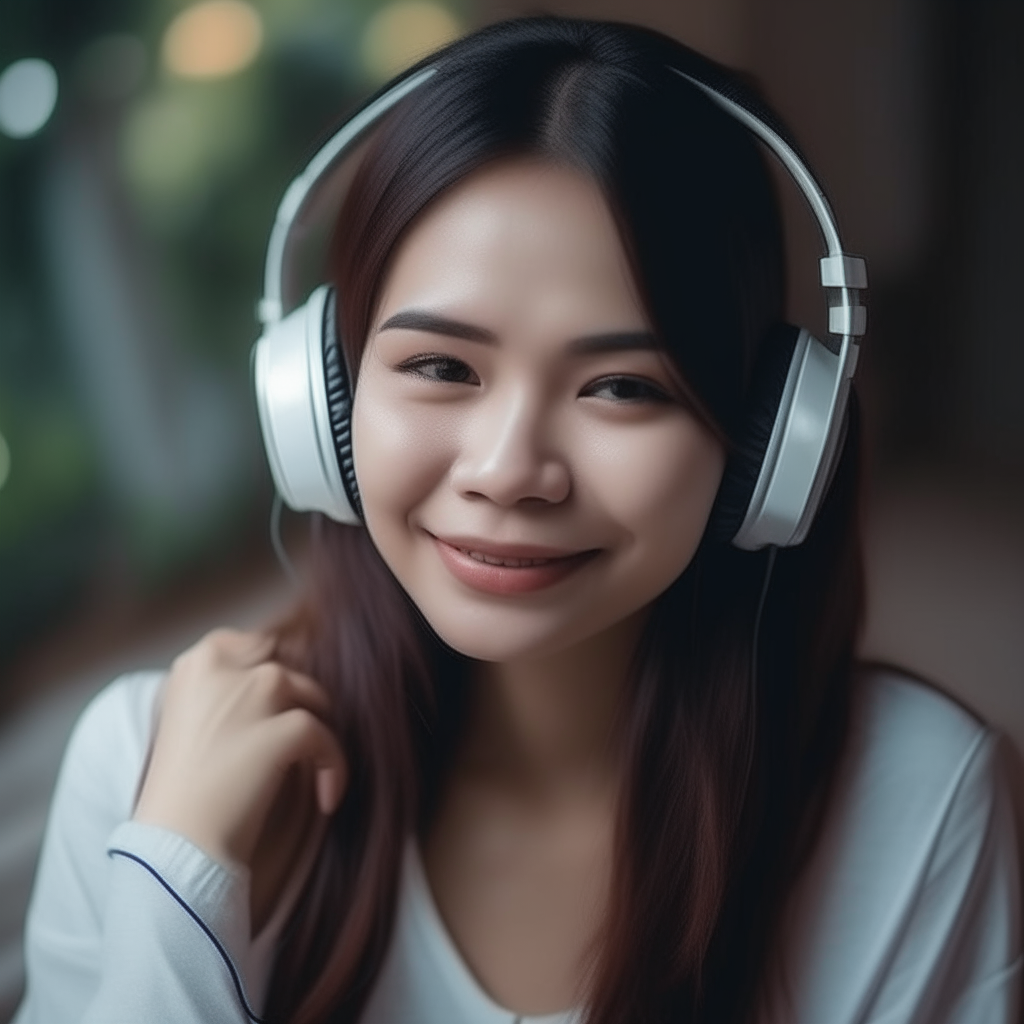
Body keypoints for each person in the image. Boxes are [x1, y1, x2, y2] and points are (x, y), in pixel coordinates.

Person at [14, 16, 1021, 1024]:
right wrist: (180, 889)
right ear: (319, 399)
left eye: (623, 386)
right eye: (441, 367)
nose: (508, 472)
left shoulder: (920, 805)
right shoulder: (151, 771)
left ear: (765, 440)